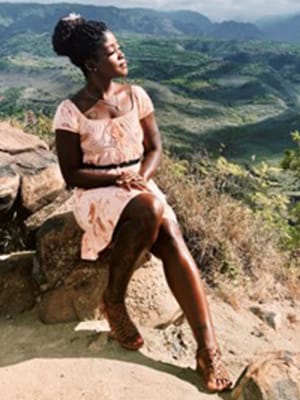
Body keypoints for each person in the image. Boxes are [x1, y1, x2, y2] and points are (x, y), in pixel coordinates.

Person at [52, 13, 232, 393]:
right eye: (113, 52)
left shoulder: (136, 96)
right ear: (91, 64)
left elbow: (155, 148)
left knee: (169, 232)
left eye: (119, 49)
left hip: (138, 184)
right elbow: (71, 175)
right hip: (96, 194)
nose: (122, 55)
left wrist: (141, 178)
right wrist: (119, 179)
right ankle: (114, 300)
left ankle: (208, 349)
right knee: (151, 208)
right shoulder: (70, 111)